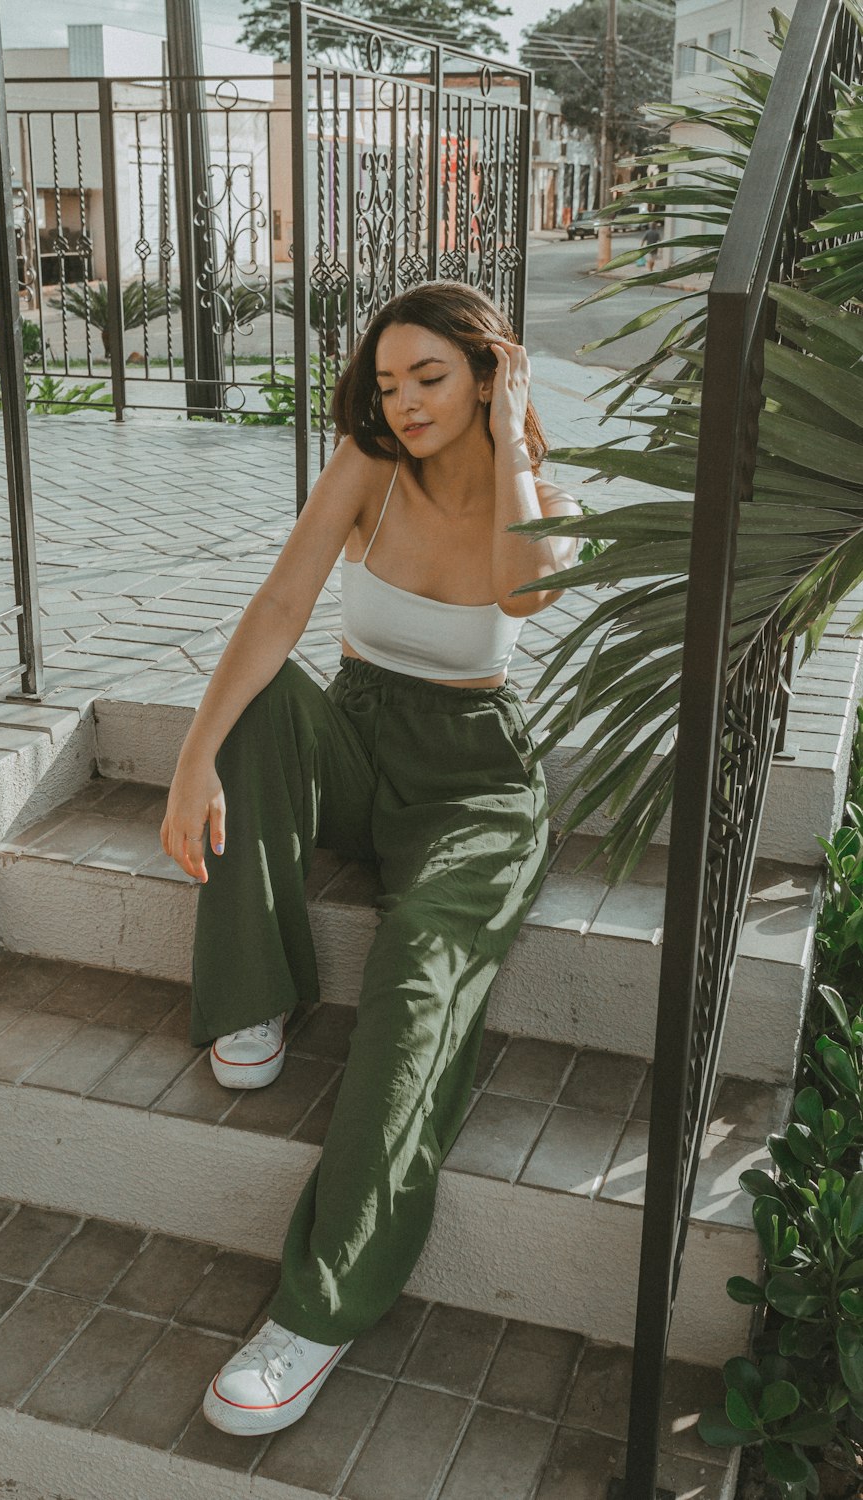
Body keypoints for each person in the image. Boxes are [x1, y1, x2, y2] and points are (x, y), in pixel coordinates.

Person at [159, 280, 582, 1438]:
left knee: (414, 983)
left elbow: (526, 590)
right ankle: (255, 994)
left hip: (474, 784)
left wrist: (508, 441)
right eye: (388, 382)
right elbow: (283, 602)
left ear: (490, 373)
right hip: (356, 731)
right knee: (254, 705)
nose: (401, 403)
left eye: (429, 378)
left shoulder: (539, 493)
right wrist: (193, 758)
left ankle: (320, 1306)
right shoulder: (364, 466)